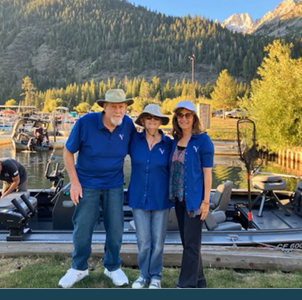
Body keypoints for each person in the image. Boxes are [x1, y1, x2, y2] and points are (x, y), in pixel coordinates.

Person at [59, 89, 135, 288]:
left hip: (114, 184)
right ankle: (79, 268)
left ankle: (112, 267)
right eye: (114, 107)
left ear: (126, 107)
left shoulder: (127, 125)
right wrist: (74, 183)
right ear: (104, 107)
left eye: (122, 106)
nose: (118, 111)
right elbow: (68, 153)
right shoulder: (85, 123)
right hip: (87, 183)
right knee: (83, 227)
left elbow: (139, 150)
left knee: (116, 227)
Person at [128, 104, 174, 289]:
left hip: (161, 198)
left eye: (156, 118)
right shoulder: (134, 140)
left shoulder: (169, 143)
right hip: (138, 197)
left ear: (161, 121)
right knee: (144, 241)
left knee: (158, 241)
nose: (152, 121)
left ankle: (156, 276)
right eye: (148, 118)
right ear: (143, 121)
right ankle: (143, 276)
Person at [169, 100, 213, 288]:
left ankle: (186, 285)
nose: (184, 119)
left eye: (188, 115)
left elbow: (207, 173)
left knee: (191, 245)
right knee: (188, 241)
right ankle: (200, 281)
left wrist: (206, 202)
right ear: (176, 119)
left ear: (194, 118)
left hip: (194, 201)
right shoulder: (175, 141)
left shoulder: (203, 141)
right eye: (180, 115)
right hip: (179, 199)